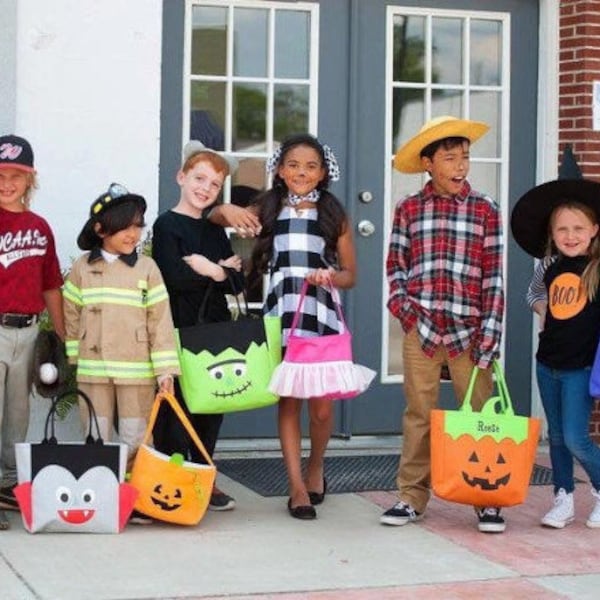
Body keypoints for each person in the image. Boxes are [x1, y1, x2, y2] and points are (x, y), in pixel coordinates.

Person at [215, 133, 357, 519]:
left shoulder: (333, 214)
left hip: (321, 312)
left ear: (324, 172)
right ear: (279, 169)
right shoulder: (268, 207)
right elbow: (215, 218)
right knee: (290, 400)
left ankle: (316, 466)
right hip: (283, 315)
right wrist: (226, 209)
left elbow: (351, 275)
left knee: (322, 410)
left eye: (311, 166)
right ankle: (296, 486)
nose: (301, 172)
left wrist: (331, 277)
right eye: (293, 164)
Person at [381, 116, 506, 533]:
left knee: (476, 414)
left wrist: (490, 332)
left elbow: (493, 277)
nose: (460, 167)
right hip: (424, 329)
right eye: (450, 158)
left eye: (465, 158)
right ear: (429, 163)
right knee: (419, 413)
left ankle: (486, 498)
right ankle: (411, 497)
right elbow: (395, 265)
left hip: (471, 331)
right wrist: (406, 310)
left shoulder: (486, 210)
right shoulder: (409, 209)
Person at [63, 183, 180, 524]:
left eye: (138, 225)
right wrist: (75, 355)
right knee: (96, 434)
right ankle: (100, 495)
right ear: (101, 229)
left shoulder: (147, 269)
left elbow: (160, 321)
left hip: (136, 371)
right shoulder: (82, 268)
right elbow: (71, 313)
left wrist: (165, 370)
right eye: (126, 226)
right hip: (94, 369)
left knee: (136, 437)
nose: (134, 233)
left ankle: (137, 497)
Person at [151, 141, 244, 512]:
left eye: (214, 184)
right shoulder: (166, 225)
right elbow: (172, 278)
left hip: (215, 329)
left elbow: (239, 283)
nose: (205, 188)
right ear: (182, 177)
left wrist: (209, 268)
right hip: (177, 327)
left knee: (210, 405)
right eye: (199, 178)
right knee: (177, 407)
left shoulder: (213, 229)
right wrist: (219, 271)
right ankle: (173, 478)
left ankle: (206, 474)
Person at [511, 177, 600, 529]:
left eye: (578, 228)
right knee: (559, 437)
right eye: (562, 228)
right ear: (552, 232)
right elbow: (531, 296)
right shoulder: (548, 266)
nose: (570, 235)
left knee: (577, 437)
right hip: (547, 364)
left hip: (581, 367)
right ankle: (562, 496)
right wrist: (543, 308)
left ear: (594, 229)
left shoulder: (597, 269)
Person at [0, 135, 65, 529]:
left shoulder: (39, 228)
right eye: (0, 174)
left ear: (30, 180)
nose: (7, 182)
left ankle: (9, 485)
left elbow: (50, 284)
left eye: (16, 175)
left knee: (18, 412)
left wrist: (61, 334)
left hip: (28, 329)